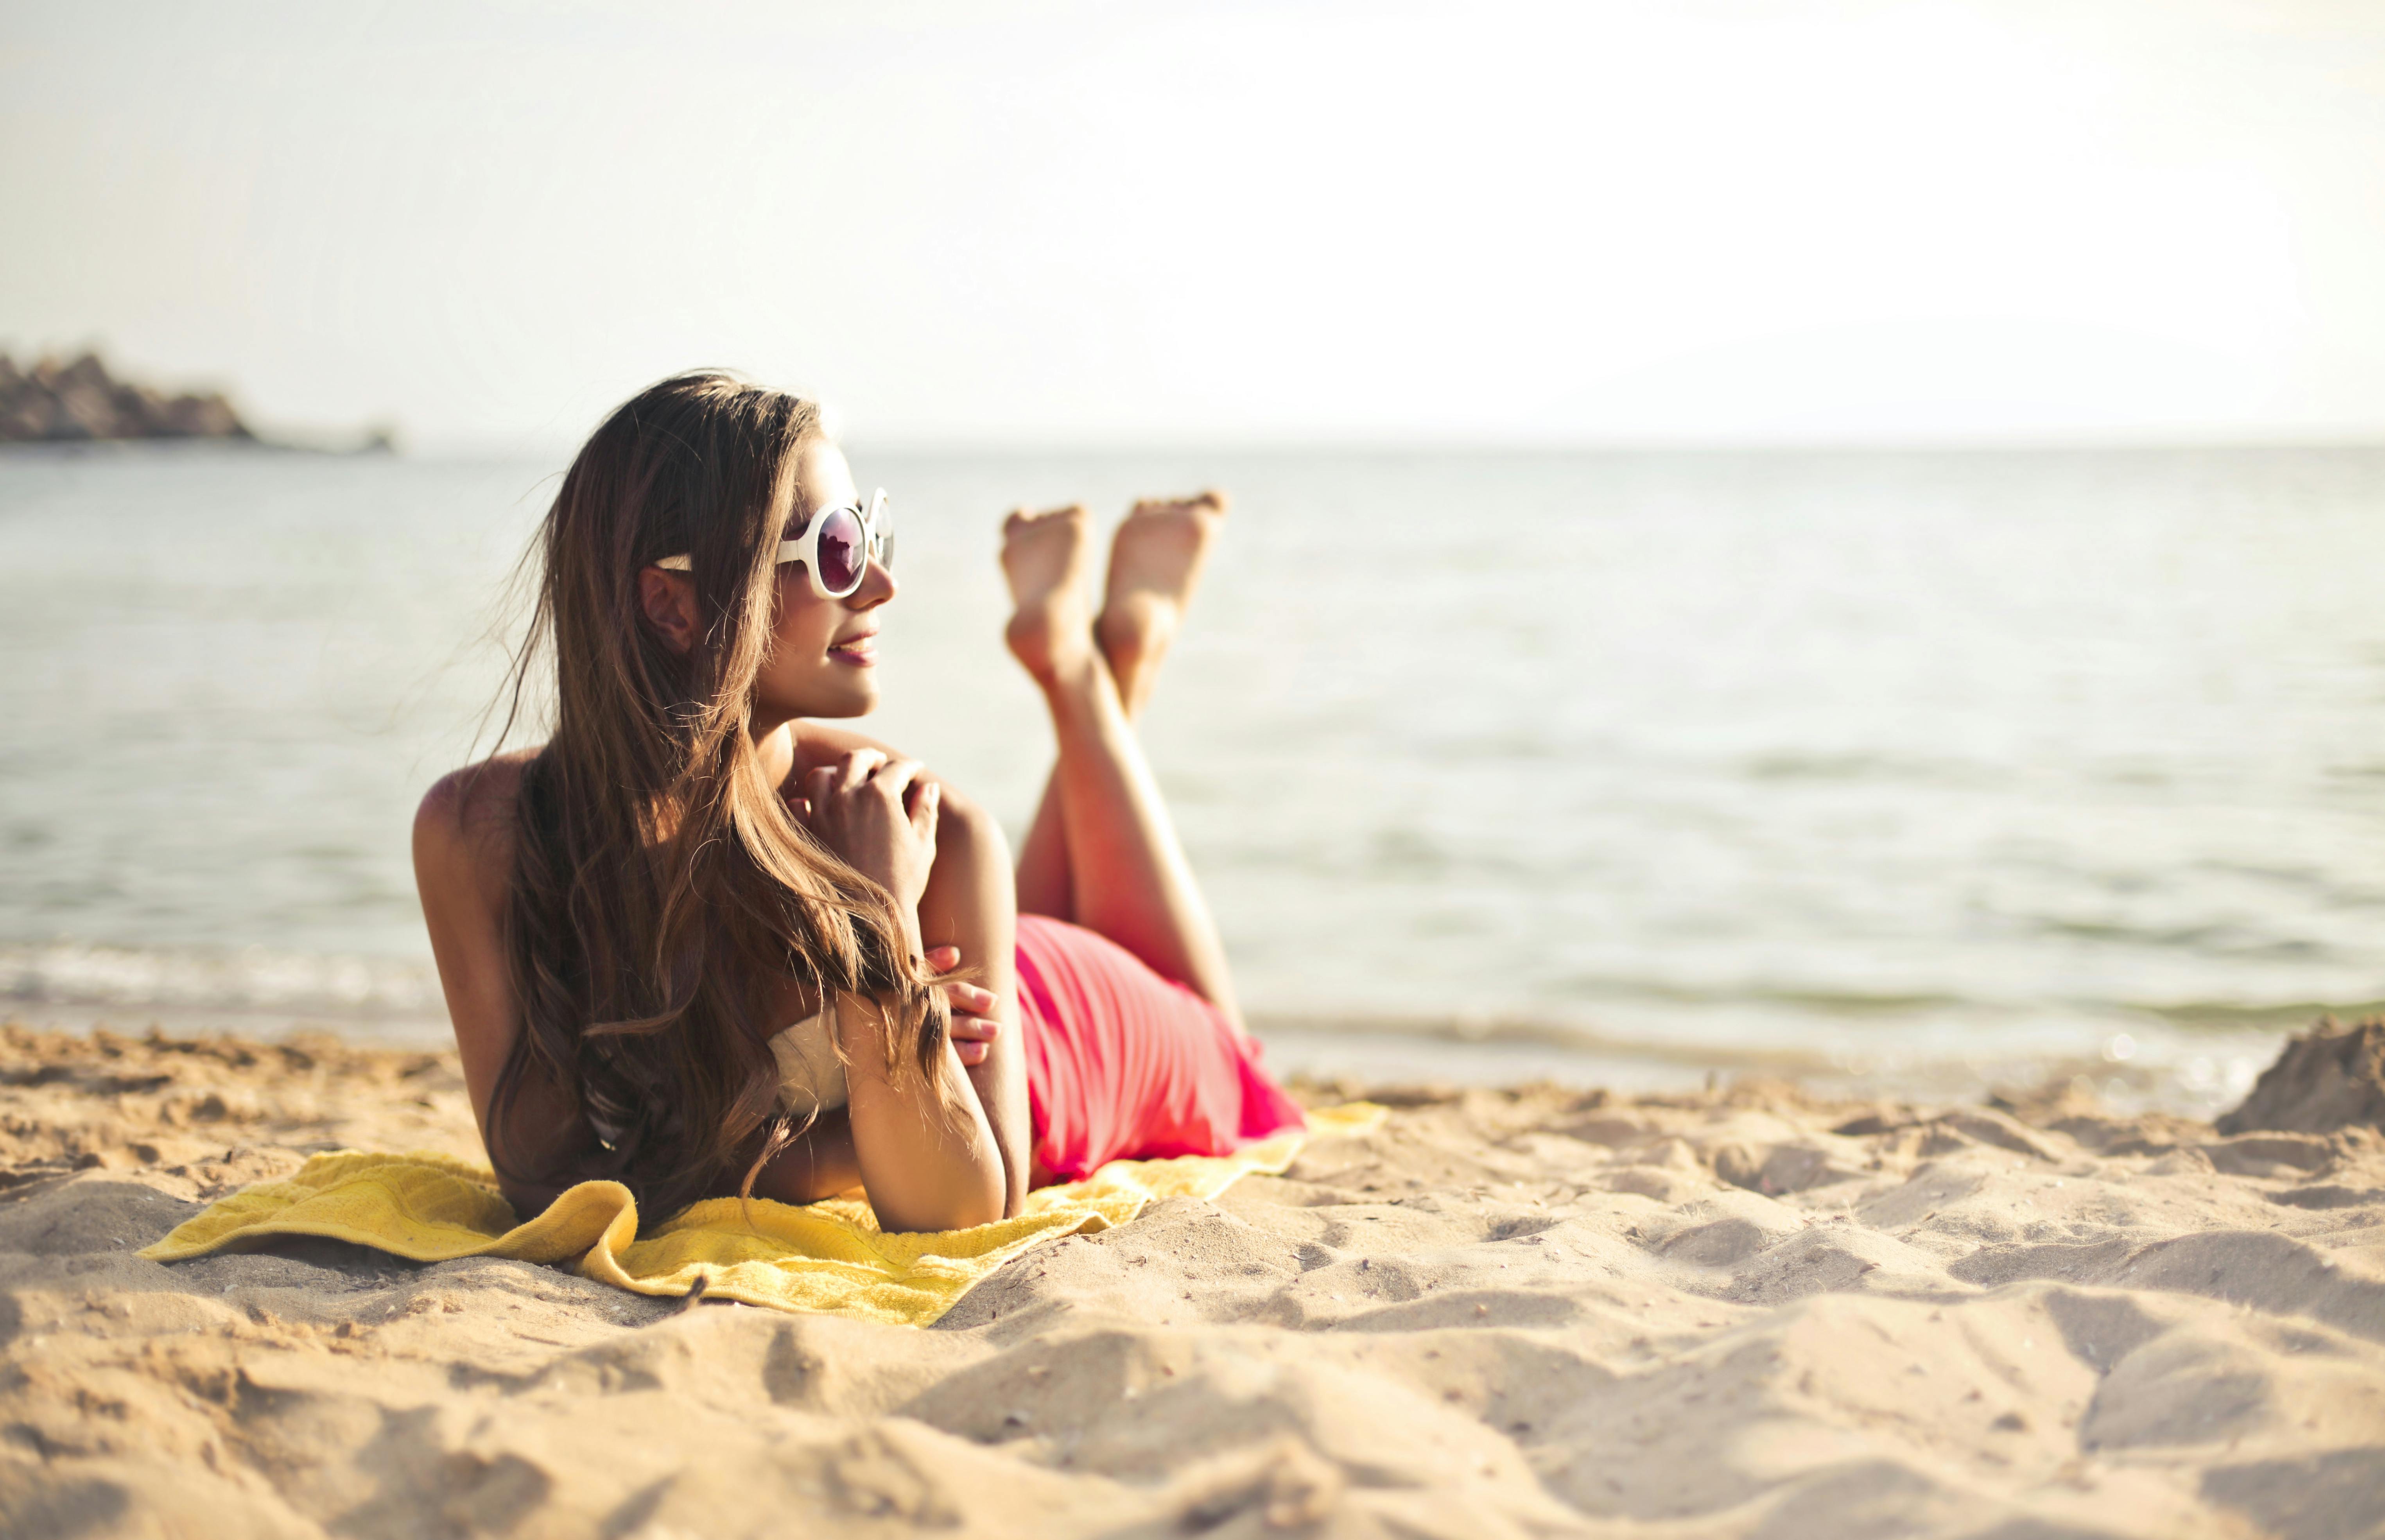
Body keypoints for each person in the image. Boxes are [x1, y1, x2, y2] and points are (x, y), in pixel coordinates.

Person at [412, 373, 1304, 1233]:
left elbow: (965, 1207)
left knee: (1233, 1060)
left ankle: (1084, 670)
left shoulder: (919, 828)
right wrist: (869, 1078)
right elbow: (543, 1181)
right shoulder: (481, 835)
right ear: (671, 606)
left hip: (1064, 1032)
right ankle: (1103, 659)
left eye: (871, 537)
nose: (880, 585)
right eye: (838, 550)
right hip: (964, 981)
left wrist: (879, 927)